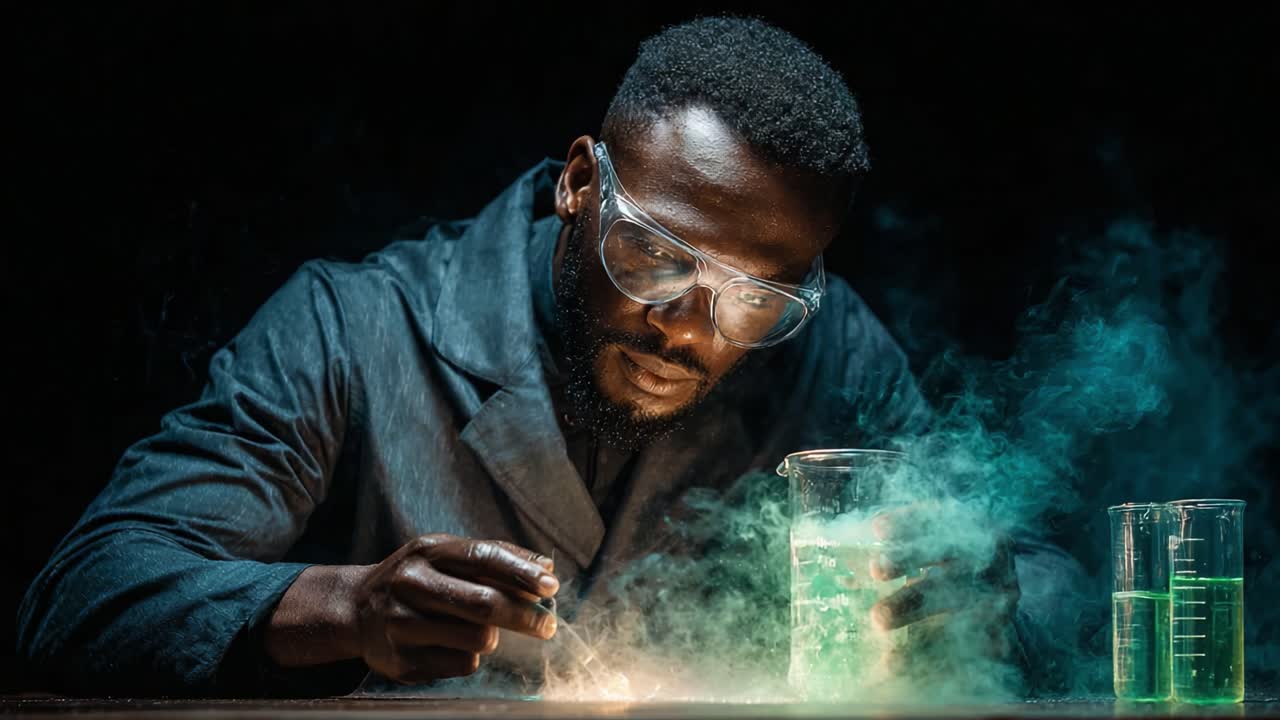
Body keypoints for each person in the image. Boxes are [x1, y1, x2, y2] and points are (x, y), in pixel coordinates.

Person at [18, 16, 1082, 697]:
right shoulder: (352, 326)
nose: (689, 326)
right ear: (581, 181)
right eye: (656, 254)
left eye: (753, 296)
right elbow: (84, 594)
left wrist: (983, 593)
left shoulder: (830, 351)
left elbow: (1051, 586)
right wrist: (344, 610)